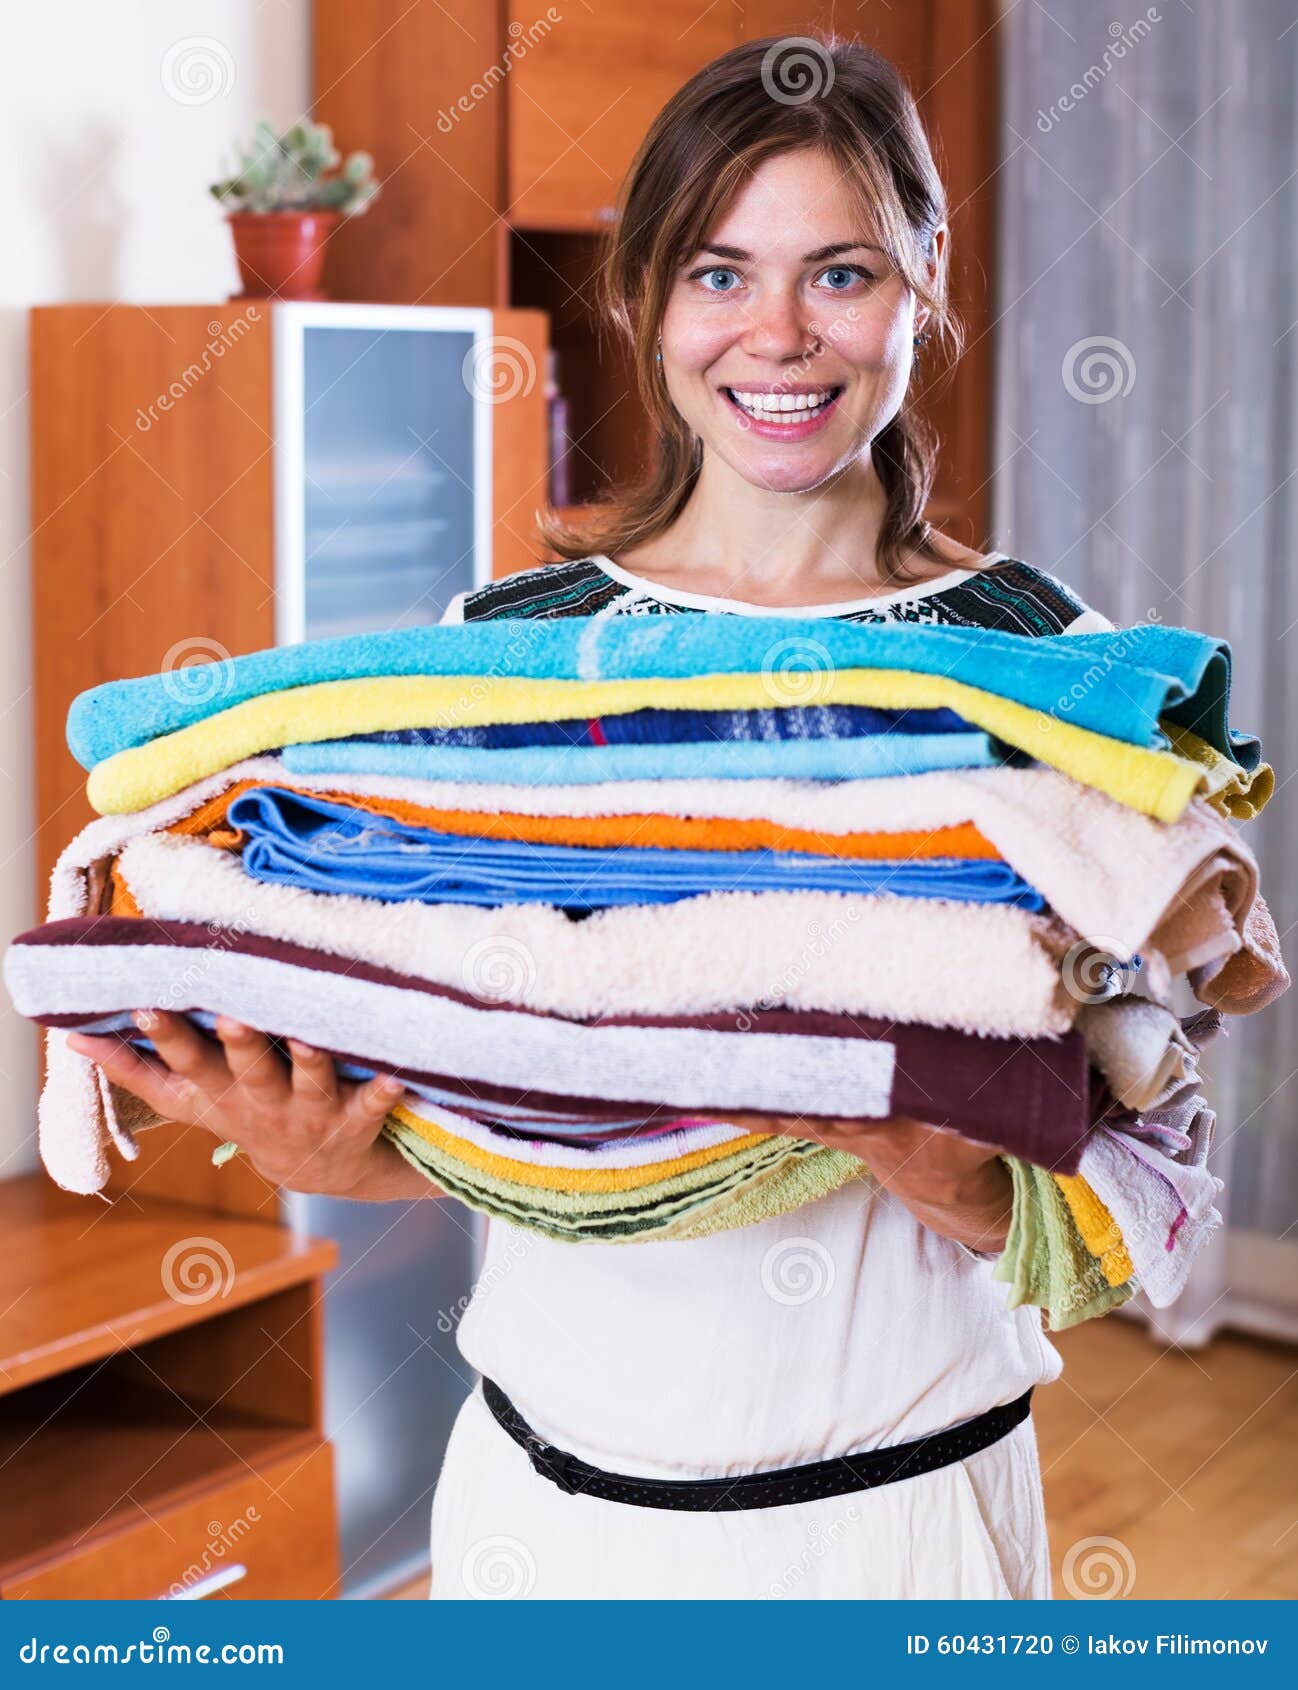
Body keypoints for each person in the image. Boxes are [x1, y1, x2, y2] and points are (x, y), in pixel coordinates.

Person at [68, 37, 1114, 1599]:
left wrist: (964, 1180)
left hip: (889, 1532)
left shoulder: (1041, 670)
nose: (775, 335)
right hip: (535, 1520)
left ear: (924, 278)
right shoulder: (502, 648)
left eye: (837, 273)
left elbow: (1149, 1159)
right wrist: (364, 1163)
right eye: (716, 272)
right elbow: (530, 1074)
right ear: (642, 292)